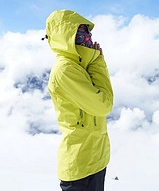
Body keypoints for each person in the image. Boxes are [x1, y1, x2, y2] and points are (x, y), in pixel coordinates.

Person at [45, 10, 114, 191]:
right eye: (81, 33)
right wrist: (98, 62)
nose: (87, 38)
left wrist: (94, 62)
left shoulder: (80, 66)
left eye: (88, 32)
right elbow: (103, 104)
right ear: (66, 36)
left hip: (96, 159)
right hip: (79, 166)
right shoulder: (65, 70)